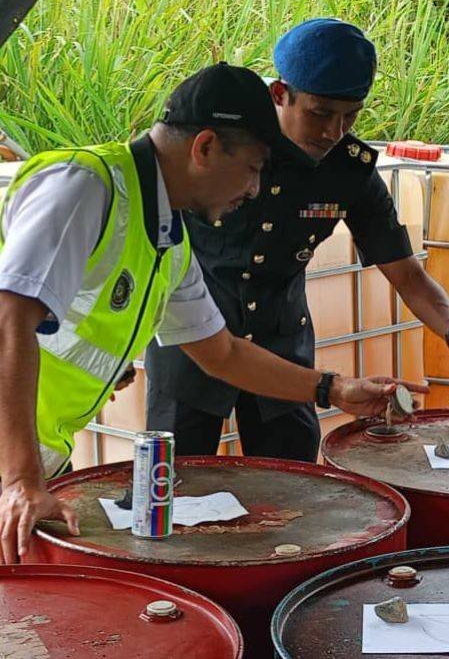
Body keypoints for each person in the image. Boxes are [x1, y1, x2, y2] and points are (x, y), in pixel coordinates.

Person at [0, 63, 426, 564]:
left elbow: (223, 354)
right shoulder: (86, 187)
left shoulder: (169, 241)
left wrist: (335, 390)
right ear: (204, 147)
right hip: (15, 467)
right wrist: (21, 479)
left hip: (37, 455)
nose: (255, 189)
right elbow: (8, 321)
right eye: (253, 168)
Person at [144, 19, 449, 462]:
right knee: (170, 478)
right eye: (320, 113)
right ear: (280, 94)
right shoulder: (226, 143)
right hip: (191, 339)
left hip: (282, 347)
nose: (334, 131)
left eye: (350, 115)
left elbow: (407, 274)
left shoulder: (348, 171)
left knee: (295, 483)